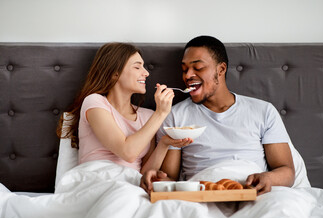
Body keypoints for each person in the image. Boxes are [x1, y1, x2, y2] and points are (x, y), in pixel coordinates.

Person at [141, 36, 295, 195]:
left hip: (252, 193)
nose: (187, 76)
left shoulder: (263, 111)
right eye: (184, 69)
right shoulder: (176, 115)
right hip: (202, 193)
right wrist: (157, 179)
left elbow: (287, 172)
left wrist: (268, 178)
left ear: (221, 69)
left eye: (198, 67)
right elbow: (171, 179)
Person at [57, 42, 192, 174]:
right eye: (137, 67)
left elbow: (144, 174)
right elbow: (127, 152)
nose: (146, 73)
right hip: (97, 180)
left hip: (130, 186)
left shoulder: (148, 116)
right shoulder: (94, 102)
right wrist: (161, 113)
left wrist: (163, 144)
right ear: (115, 73)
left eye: (144, 67)